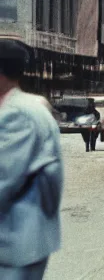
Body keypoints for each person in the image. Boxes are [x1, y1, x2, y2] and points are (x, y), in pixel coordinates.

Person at [0, 40, 64, 279]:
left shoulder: (17, 114)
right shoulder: (30, 106)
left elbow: (4, 179)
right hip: (24, 238)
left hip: (15, 241)